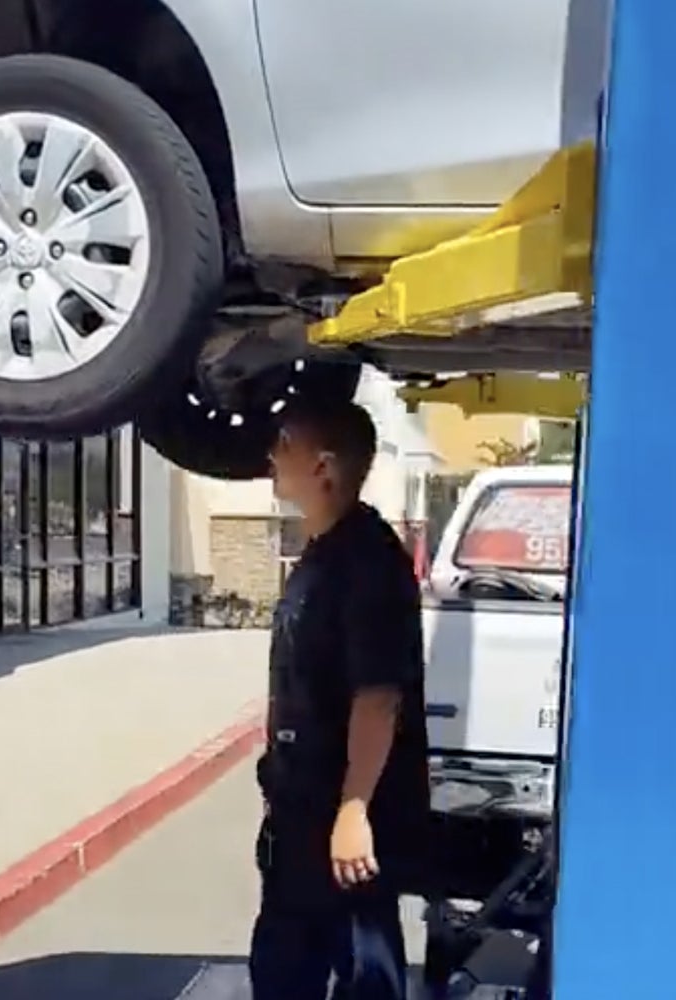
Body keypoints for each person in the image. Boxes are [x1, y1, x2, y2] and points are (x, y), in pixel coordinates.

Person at [248, 396, 431, 1000]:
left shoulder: (366, 564)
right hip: (303, 820)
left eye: (284, 443)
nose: (272, 455)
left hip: (343, 825)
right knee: (283, 970)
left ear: (323, 467)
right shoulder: (326, 553)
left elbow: (377, 697)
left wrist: (353, 812)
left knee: (362, 974)